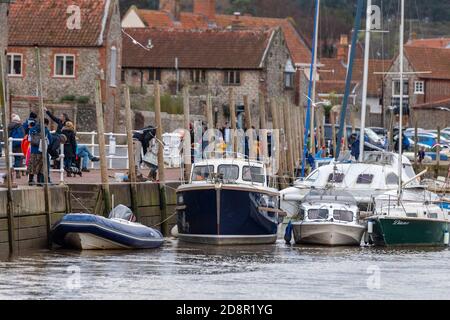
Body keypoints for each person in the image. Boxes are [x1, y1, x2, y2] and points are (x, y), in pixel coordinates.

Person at [28, 118, 52, 186]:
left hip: (33, 150)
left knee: (32, 166)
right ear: (46, 124)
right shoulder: (46, 130)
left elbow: (29, 139)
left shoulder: (32, 129)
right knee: (40, 167)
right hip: (41, 151)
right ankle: (39, 182)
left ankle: (30, 180)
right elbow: (50, 140)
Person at [8, 114, 26, 179]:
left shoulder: (10, 126)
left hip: (11, 144)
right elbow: (22, 135)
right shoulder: (19, 126)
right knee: (19, 158)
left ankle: (12, 170)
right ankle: (17, 172)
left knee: (14, 158)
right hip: (18, 144)